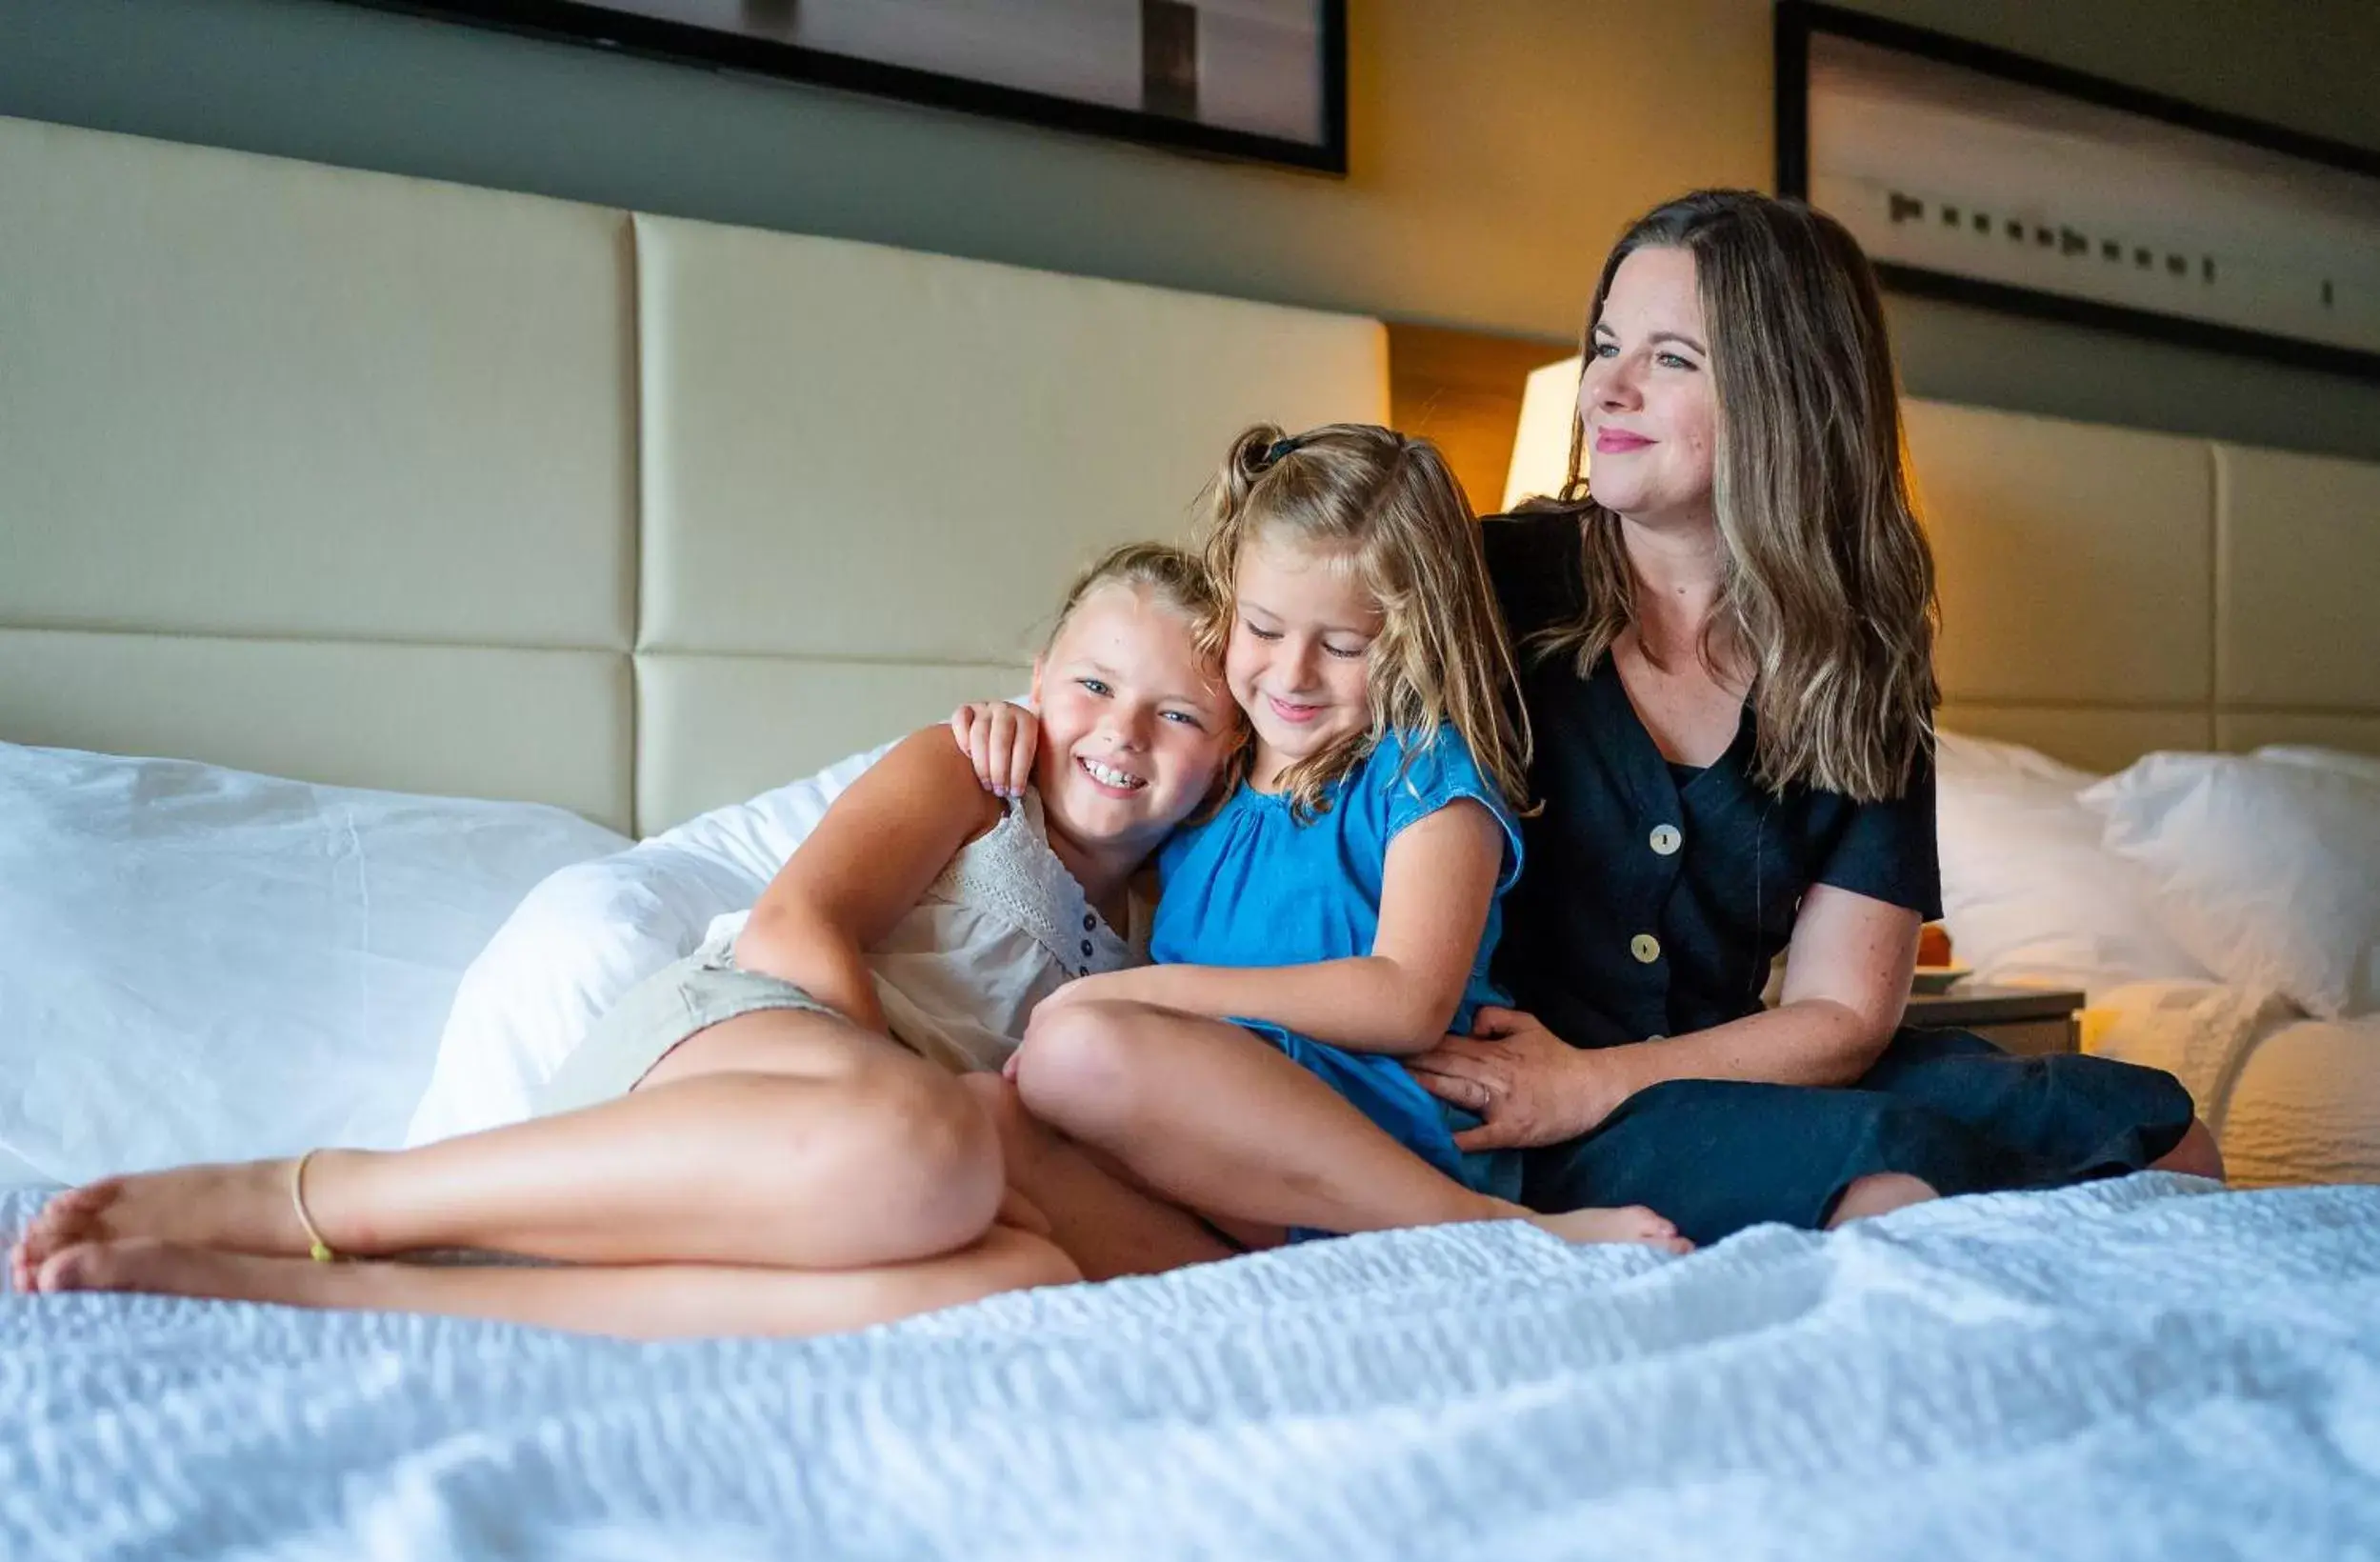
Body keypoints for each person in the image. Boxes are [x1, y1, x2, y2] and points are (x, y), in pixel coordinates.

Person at [10, 544, 1240, 1337]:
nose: (1118, 730)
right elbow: (793, 923)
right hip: (745, 1041)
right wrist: (919, 1112)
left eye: (1176, 711)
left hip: (876, 1188)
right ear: (1034, 675)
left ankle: (391, 1294)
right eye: (1089, 683)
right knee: (936, 1148)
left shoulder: (1180, 925)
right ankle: (326, 1193)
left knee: (1014, 1287)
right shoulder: (977, 771)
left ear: (1230, 751)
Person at [1398, 190, 2218, 1248]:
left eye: (1672, 358)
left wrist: (1601, 1079)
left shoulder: (1859, 653)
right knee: (1890, 1187)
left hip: (1725, 1070)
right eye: (1607, 343)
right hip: (1515, 1105)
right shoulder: (1479, 584)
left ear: (1785, 395)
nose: (1608, 384)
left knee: (2162, 1137)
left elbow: (1840, 1014)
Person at [951, 424, 1687, 1256]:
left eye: (1342, 646)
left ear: (1415, 639)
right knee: (981, 1119)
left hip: (1375, 1130)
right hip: (1219, 1142)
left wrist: (1149, 995)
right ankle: (1246, 1276)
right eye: (1262, 630)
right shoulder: (1215, 771)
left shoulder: (1422, 770)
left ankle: (1493, 1231)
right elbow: (1103, 780)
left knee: (1072, 1052)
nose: (1292, 675)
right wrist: (1020, 719)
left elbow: (1409, 999)